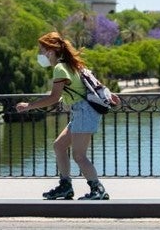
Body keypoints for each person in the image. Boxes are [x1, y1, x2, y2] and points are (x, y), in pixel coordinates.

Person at [16, 32, 120, 200]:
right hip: (82, 111)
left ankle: (98, 189)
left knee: (79, 155)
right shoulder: (72, 65)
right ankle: (65, 186)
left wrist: (29, 106)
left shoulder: (60, 68)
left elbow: (53, 97)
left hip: (84, 112)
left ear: (51, 51)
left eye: (41, 49)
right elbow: (77, 90)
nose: (40, 54)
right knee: (59, 146)